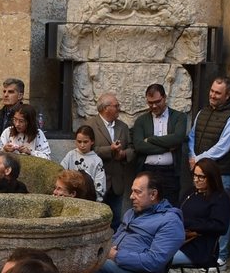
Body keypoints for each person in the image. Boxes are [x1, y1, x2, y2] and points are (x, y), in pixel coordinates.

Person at [85, 172, 183, 273]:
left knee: (89, 262)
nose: (131, 196)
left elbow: (152, 262)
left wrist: (115, 255)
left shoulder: (170, 222)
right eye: (132, 191)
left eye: (137, 192)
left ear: (153, 194)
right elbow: (115, 238)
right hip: (118, 269)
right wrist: (108, 249)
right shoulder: (132, 212)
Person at [188, 76, 230, 263]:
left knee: (220, 216)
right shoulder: (203, 111)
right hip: (199, 170)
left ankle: (221, 256)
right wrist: (192, 157)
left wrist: (198, 159)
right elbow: (192, 136)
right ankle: (202, 254)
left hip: (220, 173)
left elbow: (223, 146)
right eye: (212, 91)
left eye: (218, 93)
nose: (213, 95)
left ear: (228, 95)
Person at [132, 84, 188, 205]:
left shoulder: (179, 117)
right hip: (147, 171)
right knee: (146, 207)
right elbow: (139, 146)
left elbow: (177, 138)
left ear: (165, 97)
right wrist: (167, 148)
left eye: (157, 101)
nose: (154, 106)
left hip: (169, 173)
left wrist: (151, 139)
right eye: (150, 103)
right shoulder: (141, 121)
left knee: (170, 207)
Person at [173, 158, 230, 269]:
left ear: (211, 177)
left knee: (159, 258)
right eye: (195, 175)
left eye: (201, 177)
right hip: (180, 240)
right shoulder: (191, 192)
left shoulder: (220, 198)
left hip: (201, 249)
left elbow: (220, 226)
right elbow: (177, 208)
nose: (196, 180)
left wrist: (188, 223)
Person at [91, 93, 135, 228]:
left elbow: (132, 148)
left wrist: (123, 154)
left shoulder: (123, 127)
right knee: (96, 221)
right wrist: (110, 150)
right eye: (116, 106)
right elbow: (88, 151)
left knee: (115, 222)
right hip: (96, 183)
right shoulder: (90, 126)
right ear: (105, 108)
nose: (119, 109)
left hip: (117, 183)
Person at [60, 125, 106, 200]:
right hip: (70, 197)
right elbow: (61, 173)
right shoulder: (71, 155)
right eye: (79, 142)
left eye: (85, 142)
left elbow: (100, 186)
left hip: (89, 199)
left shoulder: (97, 161)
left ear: (92, 141)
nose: (82, 145)